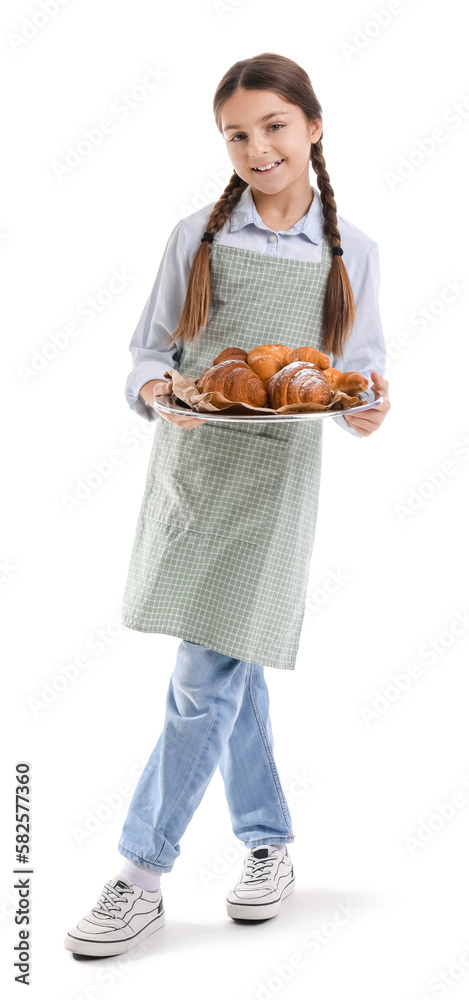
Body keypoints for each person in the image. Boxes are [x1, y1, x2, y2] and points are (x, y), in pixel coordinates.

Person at [64, 52, 391, 958]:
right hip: (192, 475)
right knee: (229, 666)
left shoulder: (349, 251)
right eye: (237, 135)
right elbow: (143, 357)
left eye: (274, 126)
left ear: (313, 127)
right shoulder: (195, 237)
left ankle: (139, 873)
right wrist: (157, 393)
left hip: (278, 485)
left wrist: (366, 407)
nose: (258, 148)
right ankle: (269, 844)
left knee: (201, 676)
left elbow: (356, 378)